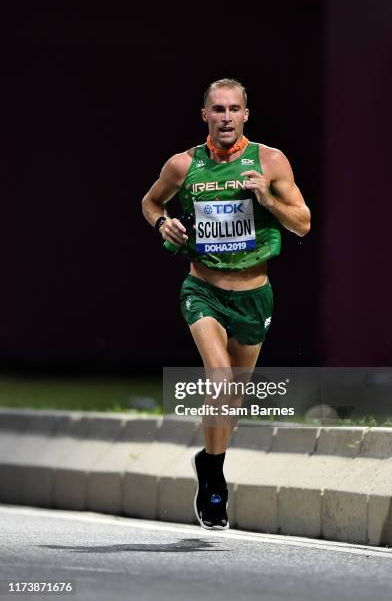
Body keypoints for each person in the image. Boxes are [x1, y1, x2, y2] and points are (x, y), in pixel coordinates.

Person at [142, 78, 310, 530]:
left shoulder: (270, 161)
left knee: (231, 395)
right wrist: (163, 224)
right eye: (217, 109)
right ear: (205, 116)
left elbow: (303, 224)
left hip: (254, 295)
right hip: (203, 289)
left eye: (234, 109)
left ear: (246, 115)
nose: (226, 117)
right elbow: (151, 201)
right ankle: (215, 481)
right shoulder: (183, 165)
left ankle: (208, 459)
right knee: (218, 376)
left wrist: (266, 198)